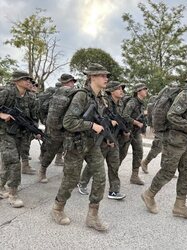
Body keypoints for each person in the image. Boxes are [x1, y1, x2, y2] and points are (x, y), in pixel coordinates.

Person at [141, 67, 187, 220]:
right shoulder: (186, 95)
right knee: (168, 171)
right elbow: (172, 115)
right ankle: (149, 194)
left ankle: (180, 206)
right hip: (174, 140)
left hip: (185, 141)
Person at [51, 63, 109, 231]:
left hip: (92, 144)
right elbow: (68, 122)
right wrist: (91, 125)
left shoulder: (99, 98)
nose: (106, 78)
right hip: (75, 144)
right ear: (92, 77)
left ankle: (92, 216)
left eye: (107, 76)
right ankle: (57, 208)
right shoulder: (81, 96)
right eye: (103, 75)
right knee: (71, 180)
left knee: (100, 177)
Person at [78, 81, 127, 200]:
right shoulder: (103, 102)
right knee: (94, 164)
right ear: (111, 91)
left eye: (122, 89)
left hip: (113, 138)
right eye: (118, 88)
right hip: (102, 137)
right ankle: (82, 183)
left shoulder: (120, 103)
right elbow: (99, 120)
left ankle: (114, 191)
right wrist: (107, 136)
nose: (121, 91)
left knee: (114, 164)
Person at [0, 71, 39, 208]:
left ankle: (0, 188)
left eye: (29, 79)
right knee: (14, 162)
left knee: (7, 162)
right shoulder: (7, 92)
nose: (29, 81)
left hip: (20, 134)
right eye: (25, 79)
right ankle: (13, 194)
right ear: (16, 81)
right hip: (4, 133)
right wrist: (2, 115)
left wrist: (36, 131)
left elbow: (32, 117)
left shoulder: (30, 97)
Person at [38, 74, 76, 183]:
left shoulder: (75, 93)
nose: (72, 84)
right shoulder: (55, 93)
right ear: (64, 82)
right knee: (51, 151)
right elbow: (45, 109)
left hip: (69, 128)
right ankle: (42, 170)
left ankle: (68, 176)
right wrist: (47, 123)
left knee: (70, 151)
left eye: (73, 82)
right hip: (56, 128)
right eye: (70, 82)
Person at [120, 83, 148, 185]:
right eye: (144, 89)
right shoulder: (132, 102)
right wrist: (136, 123)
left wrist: (143, 128)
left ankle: (134, 176)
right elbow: (125, 116)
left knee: (139, 152)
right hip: (127, 131)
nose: (146, 91)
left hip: (136, 132)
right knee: (121, 154)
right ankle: (112, 174)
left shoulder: (142, 103)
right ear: (138, 91)